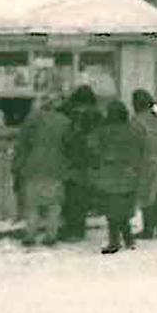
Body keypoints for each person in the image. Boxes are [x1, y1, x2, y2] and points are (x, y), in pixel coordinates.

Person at [13, 96, 71, 245]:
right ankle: (51, 235)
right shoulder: (64, 121)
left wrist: (17, 166)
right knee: (54, 204)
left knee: (32, 204)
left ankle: (30, 235)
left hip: (33, 166)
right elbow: (69, 145)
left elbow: (22, 145)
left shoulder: (31, 120)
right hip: (57, 166)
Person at [94, 99, 148, 254]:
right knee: (123, 209)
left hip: (109, 174)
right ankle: (129, 239)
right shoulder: (134, 129)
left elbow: (95, 148)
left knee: (112, 211)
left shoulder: (104, 131)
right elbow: (142, 148)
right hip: (129, 174)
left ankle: (114, 242)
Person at [58, 84, 99, 241]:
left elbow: (66, 136)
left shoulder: (70, 113)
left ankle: (72, 230)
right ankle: (78, 229)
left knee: (71, 196)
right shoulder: (96, 114)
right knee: (81, 198)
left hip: (71, 160)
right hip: (88, 162)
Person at [132, 89, 157, 240]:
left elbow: (135, 144)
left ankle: (148, 229)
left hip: (147, 161)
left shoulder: (137, 121)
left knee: (147, 195)